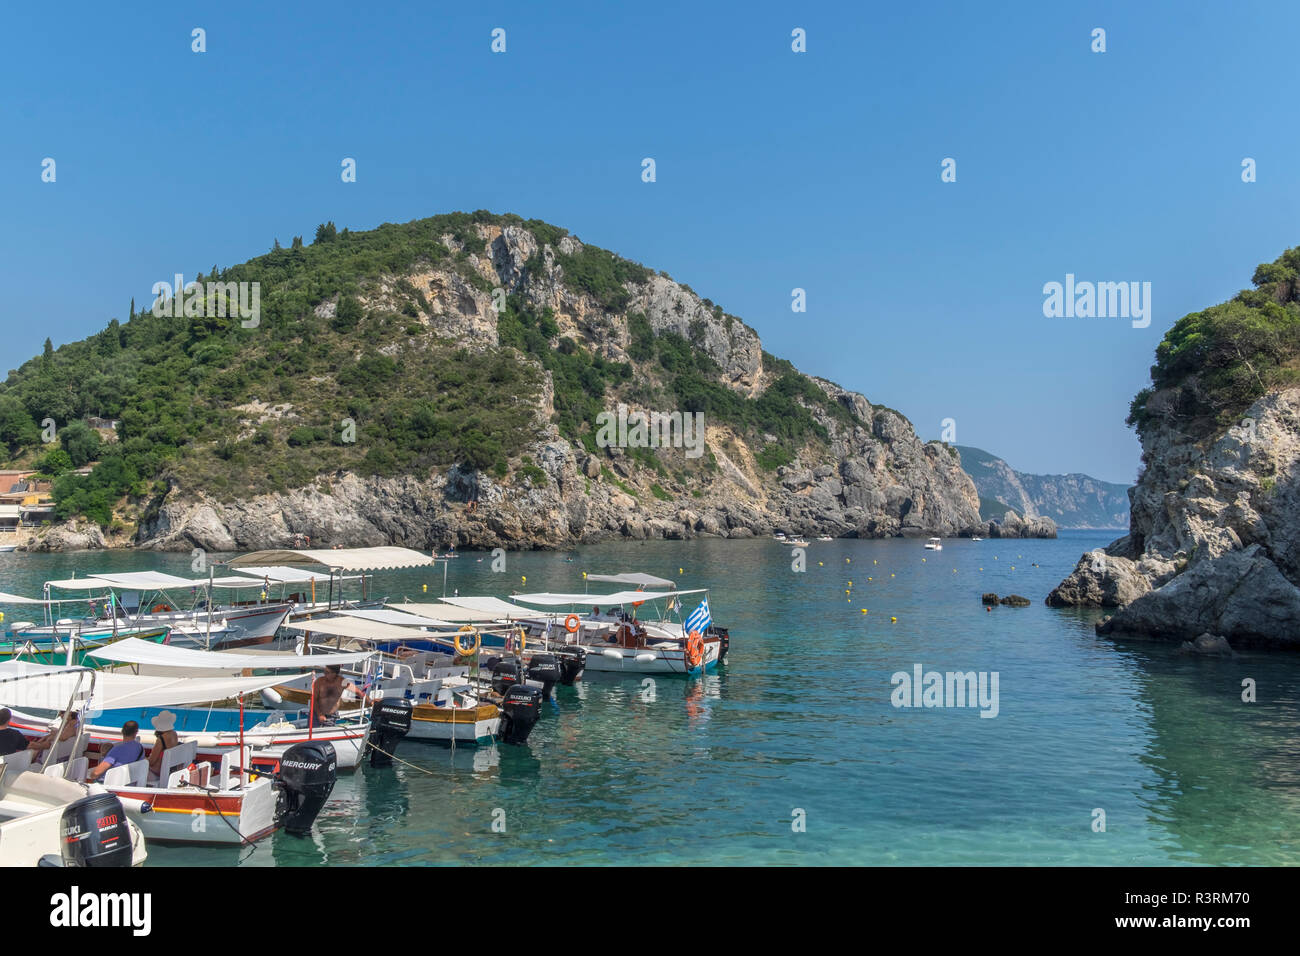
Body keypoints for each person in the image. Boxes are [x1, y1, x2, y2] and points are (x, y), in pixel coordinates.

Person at [147, 711, 181, 779]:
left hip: (157, 772)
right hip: (170, 770)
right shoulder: (174, 734)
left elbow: (151, 762)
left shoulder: (161, 740)